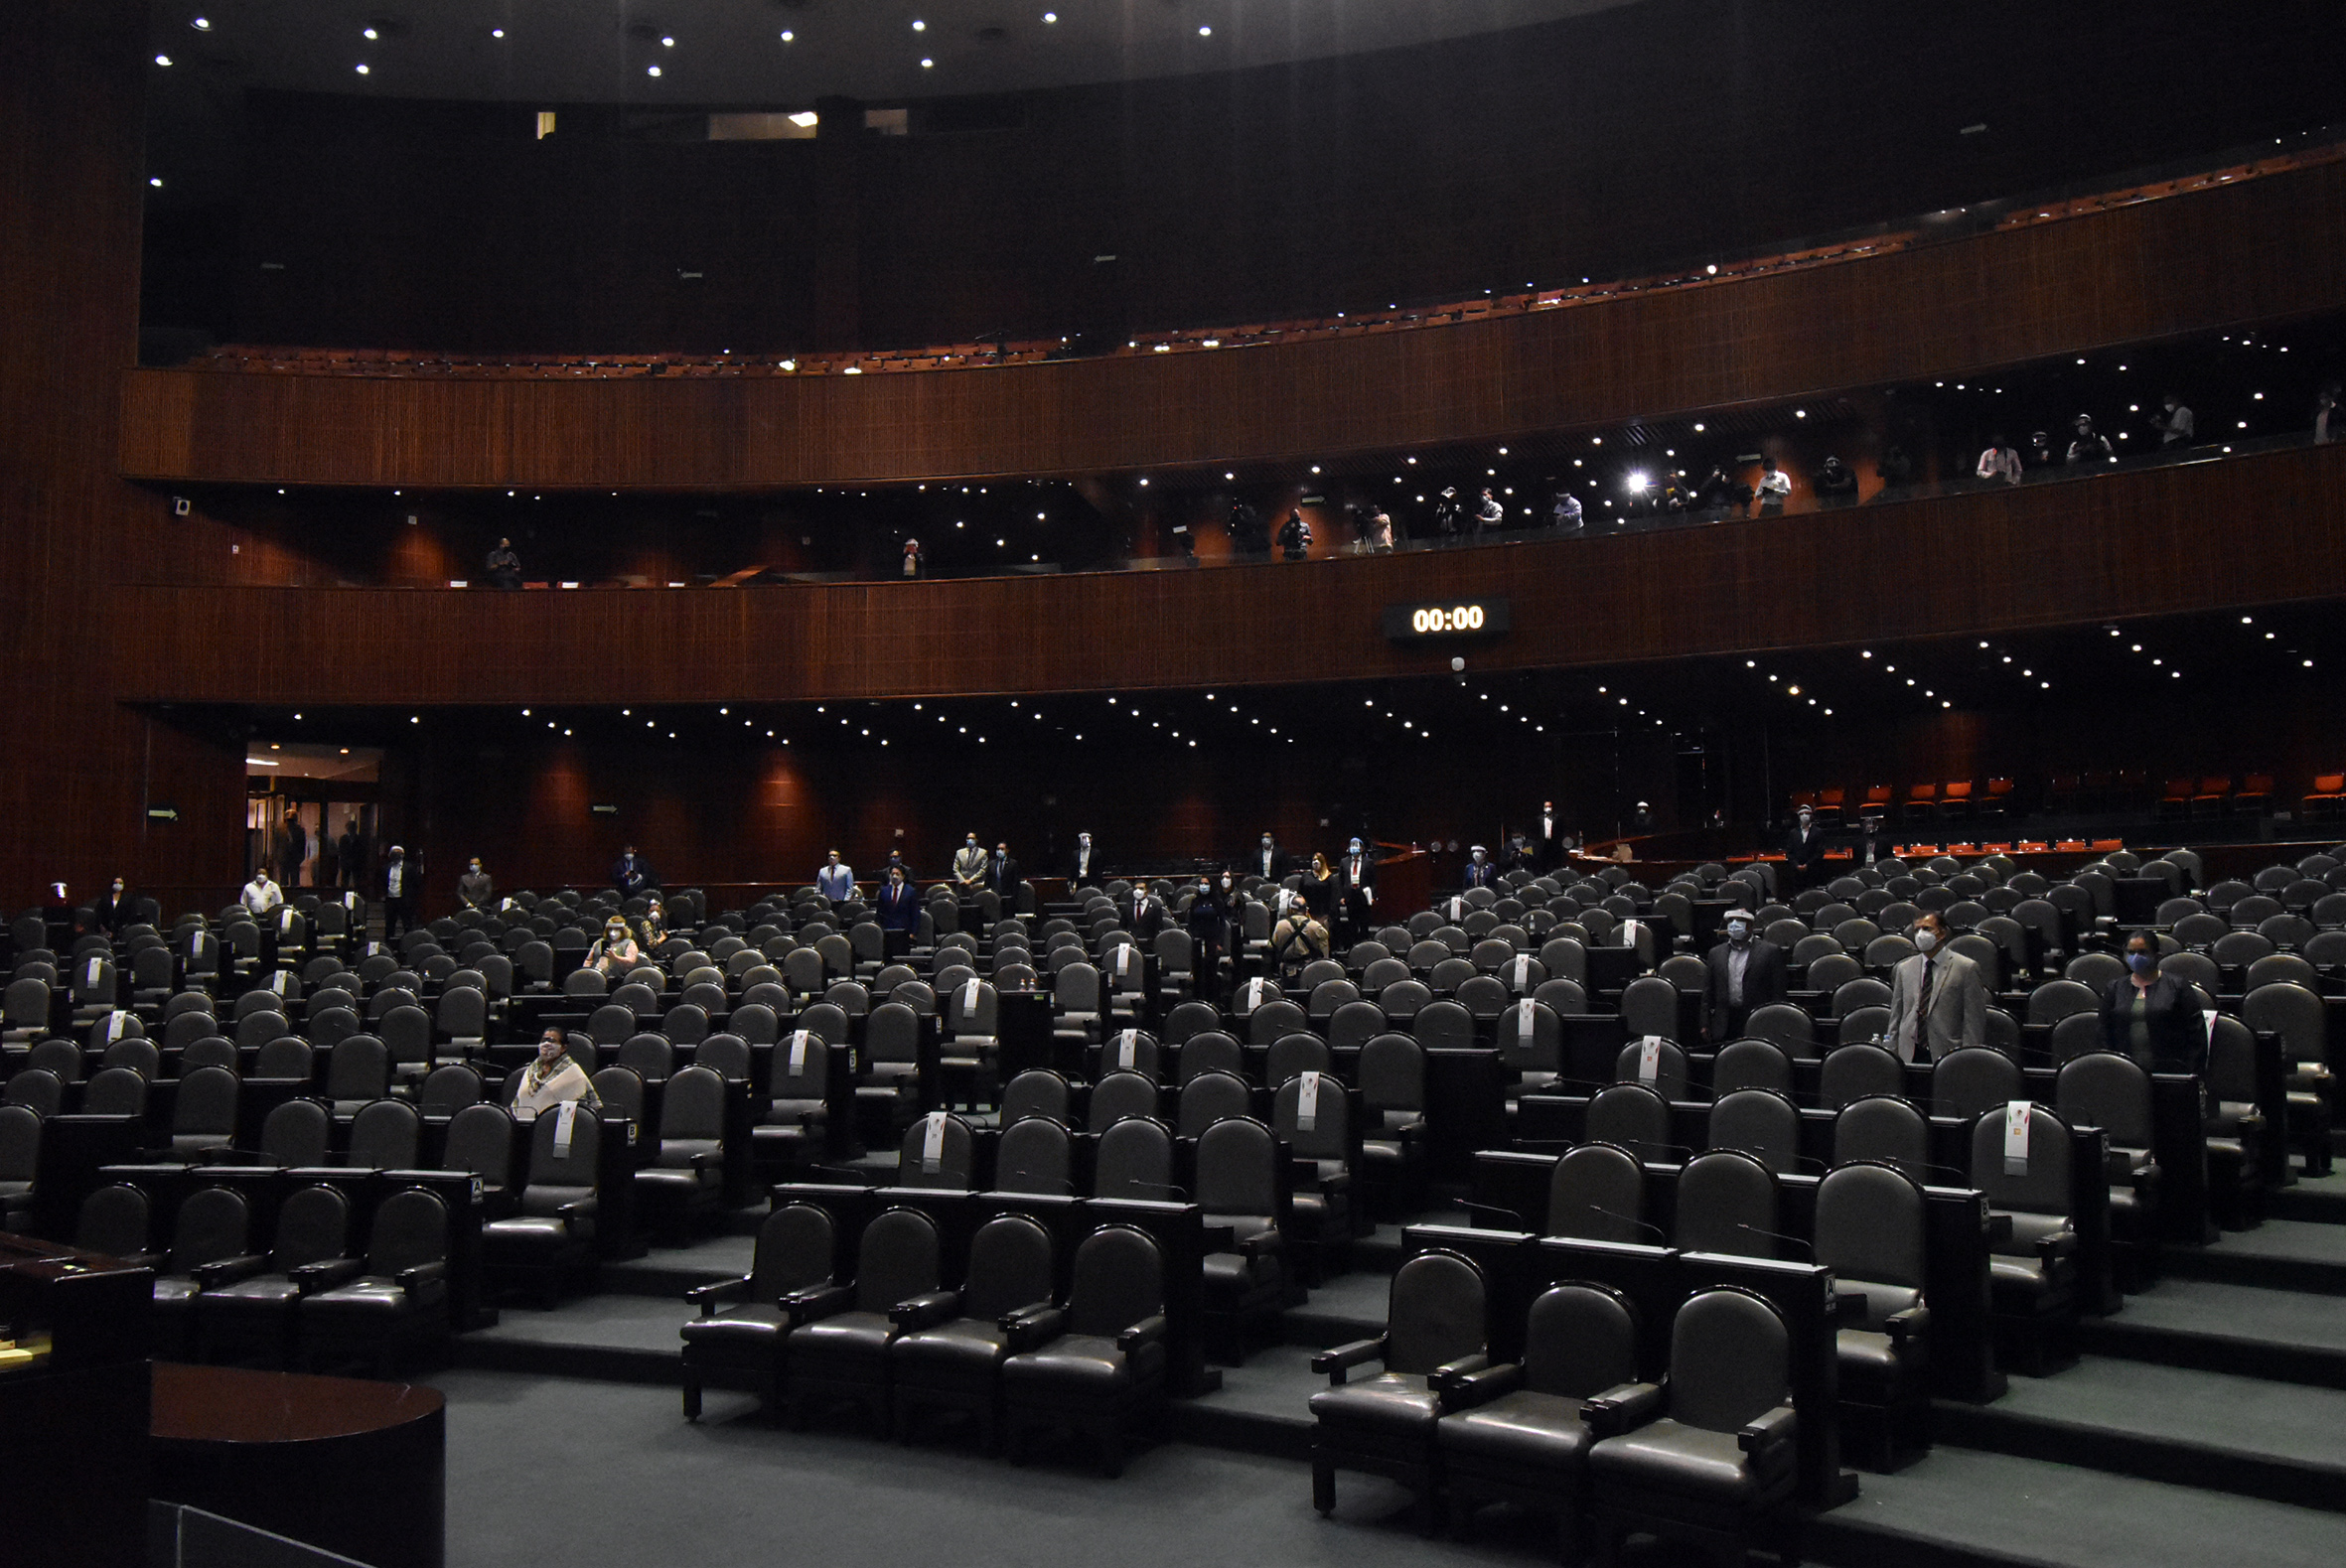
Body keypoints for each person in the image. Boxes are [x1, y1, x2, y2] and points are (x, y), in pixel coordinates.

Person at [2099, 932, 2209, 1075]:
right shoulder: (2115, 988)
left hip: (2171, 1073)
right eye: (2131, 952)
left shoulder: (2177, 986)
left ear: (2157, 956)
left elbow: (2196, 1034)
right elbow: (2104, 1032)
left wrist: (2190, 1074)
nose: (2136, 957)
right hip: (2125, 1073)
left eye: (2142, 952)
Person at [1884, 912, 1986, 1063]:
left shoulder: (1966, 968)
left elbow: (1974, 1021)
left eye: (1927, 928)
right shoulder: (1904, 968)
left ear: (1942, 933)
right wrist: (1892, 1052)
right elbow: (1896, 1015)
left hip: (1949, 1053)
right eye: (1916, 930)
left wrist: (1968, 1056)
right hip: (1909, 1053)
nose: (1921, 934)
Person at [1703, 909, 1787, 1045]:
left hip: (1757, 1019)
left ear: (1751, 925)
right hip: (1724, 1022)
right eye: (1731, 920)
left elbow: (1778, 992)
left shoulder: (1770, 952)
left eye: (1740, 920)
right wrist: (1705, 1023)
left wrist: (1775, 1022)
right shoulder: (1715, 953)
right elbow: (1708, 992)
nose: (1734, 924)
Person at [512, 1029, 601, 1120]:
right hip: (524, 1124)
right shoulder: (531, 1070)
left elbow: (584, 1110)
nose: (546, 1044)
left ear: (563, 1048)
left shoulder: (574, 1073)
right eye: (544, 1040)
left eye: (552, 1041)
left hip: (557, 1125)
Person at [1269, 898, 1330, 983]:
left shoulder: (1280, 925)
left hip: (1286, 971)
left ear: (1290, 910)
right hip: (1310, 971)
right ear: (1306, 910)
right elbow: (1324, 954)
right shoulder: (1316, 926)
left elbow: (1276, 944)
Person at [1185, 874, 1225, 1001]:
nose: (1203, 886)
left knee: (1210, 971)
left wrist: (1220, 943)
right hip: (1197, 940)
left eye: (1206, 884)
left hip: (1212, 940)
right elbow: (1191, 921)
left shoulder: (1217, 902)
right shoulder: (1195, 901)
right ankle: (1197, 998)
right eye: (1201, 883)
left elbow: (1222, 923)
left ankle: (1211, 999)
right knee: (1197, 970)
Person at [876, 864, 920, 959]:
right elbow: (879, 914)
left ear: (903, 876)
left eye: (897, 874)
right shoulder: (884, 891)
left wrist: (913, 933)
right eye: (892, 874)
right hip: (887, 933)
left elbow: (915, 914)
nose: (894, 876)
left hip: (904, 933)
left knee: (902, 959)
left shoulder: (910, 892)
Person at [1784, 805, 1827, 892]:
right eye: (1802, 814)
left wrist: (1807, 865)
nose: (1804, 816)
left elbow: (1820, 852)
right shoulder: (1793, 833)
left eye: (1807, 813)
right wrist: (1797, 865)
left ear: (1811, 815)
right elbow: (1789, 852)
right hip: (1797, 873)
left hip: (1813, 871)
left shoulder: (1818, 832)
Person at [1339, 837, 1377, 935]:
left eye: (1356, 846)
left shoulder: (1368, 862)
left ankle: (1364, 941)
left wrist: (1372, 896)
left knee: (1364, 923)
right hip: (1350, 896)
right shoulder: (1344, 862)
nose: (1354, 848)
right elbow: (1341, 881)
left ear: (1362, 849)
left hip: (1363, 895)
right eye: (1352, 846)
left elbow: (1373, 881)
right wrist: (1342, 896)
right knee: (1352, 924)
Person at [381, 845, 417, 939]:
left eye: (398, 854)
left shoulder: (409, 867)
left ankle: (408, 941)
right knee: (390, 923)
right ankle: (389, 942)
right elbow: (382, 881)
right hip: (390, 899)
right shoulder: (386, 867)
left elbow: (415, 882)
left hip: (404, 899)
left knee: (407, 923)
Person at [1300, 852, 1340, 926]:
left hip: (1324, 913)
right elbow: (1300, 893)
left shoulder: (1330, 877)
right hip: (1309, 912)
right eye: (1314, 860)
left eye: (1318, 860)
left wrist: (1330, 915)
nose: (1316, 862)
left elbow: (1334, 897)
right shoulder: (1306, 876)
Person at [275, 807, 307, 888]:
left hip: (295, 858)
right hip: (283, 858)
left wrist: (301, 858)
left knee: (295, 881)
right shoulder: (279, 829)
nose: (290, 823)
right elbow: (275, 844)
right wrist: (277, 857)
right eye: (289, 820)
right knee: (283, 881)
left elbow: (302, 845)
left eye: (291, 820)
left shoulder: (300, 830)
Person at [337, 818, 365, 891]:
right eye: (349, 827)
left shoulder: (359, 839)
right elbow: (341, 851)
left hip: (356, 863)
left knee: (357, 880)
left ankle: (357, 892)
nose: (351, 829)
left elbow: (361, 851)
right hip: (345, 862)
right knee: (344, 880)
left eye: (353, 827)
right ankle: (343, 892)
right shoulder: (343, 838)